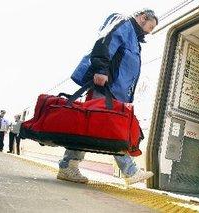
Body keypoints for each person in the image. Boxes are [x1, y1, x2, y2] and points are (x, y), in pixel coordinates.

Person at [57, 9, 158, 185]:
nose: (150, 31)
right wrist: (101, 69)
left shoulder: (133, 36)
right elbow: (105, 42)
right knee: (106, 128)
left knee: (99, 128)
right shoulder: (124, 24)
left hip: (115, 92)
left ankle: (68, 166)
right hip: (106, 88)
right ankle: (130, 172)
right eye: (150, 26)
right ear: (143, 18)